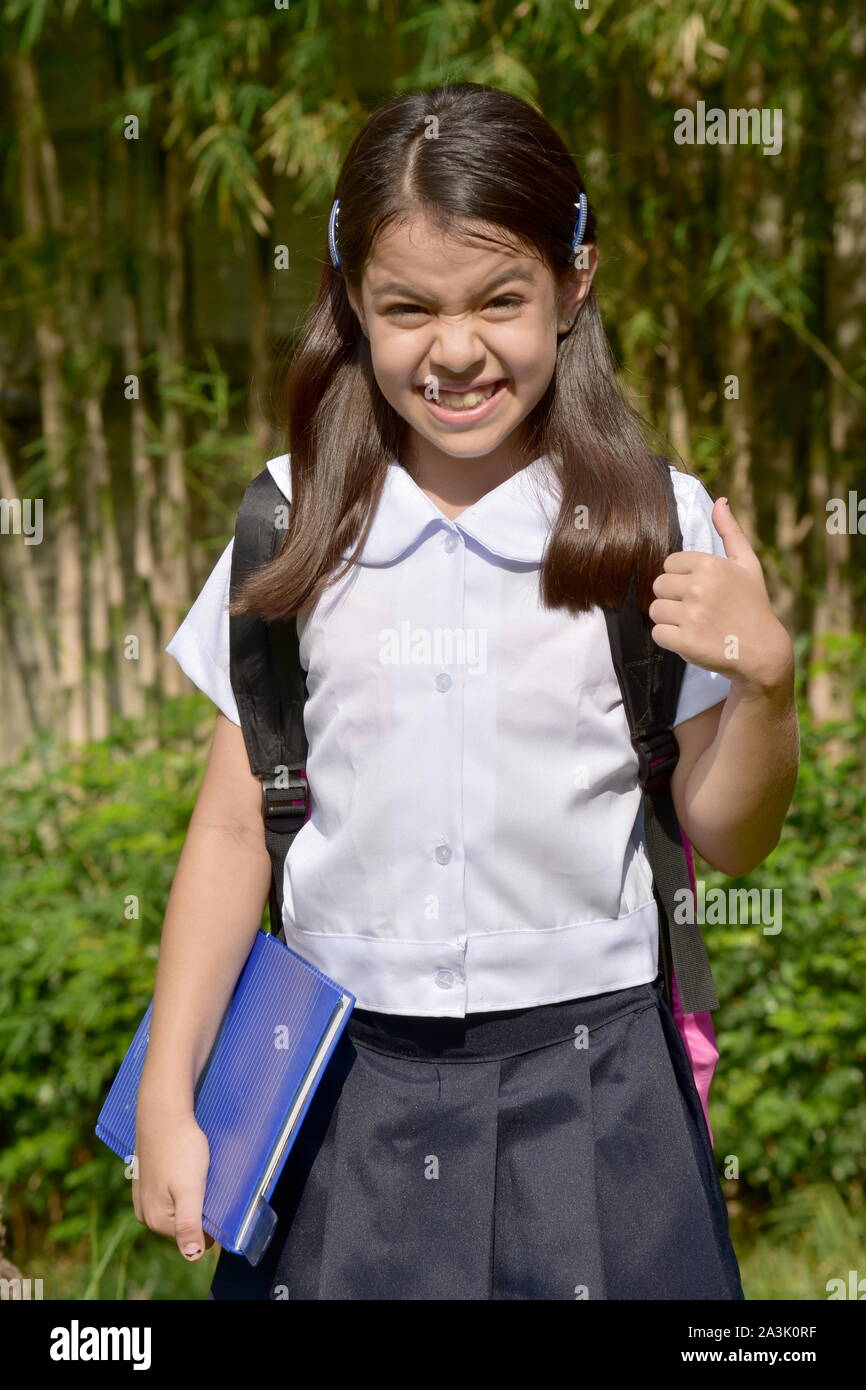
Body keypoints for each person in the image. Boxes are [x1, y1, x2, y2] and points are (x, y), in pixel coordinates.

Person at [134, 81, 799, 1300]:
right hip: (341, 1099)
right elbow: (235, 828)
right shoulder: (291, 522)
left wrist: (764, 686)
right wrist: (171, 1091)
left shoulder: (656, 521)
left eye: (500, 299)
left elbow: (732, 831)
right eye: (408, 308)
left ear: (573, 283)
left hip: (597, 1094)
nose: (454, 349)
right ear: (351, 302)